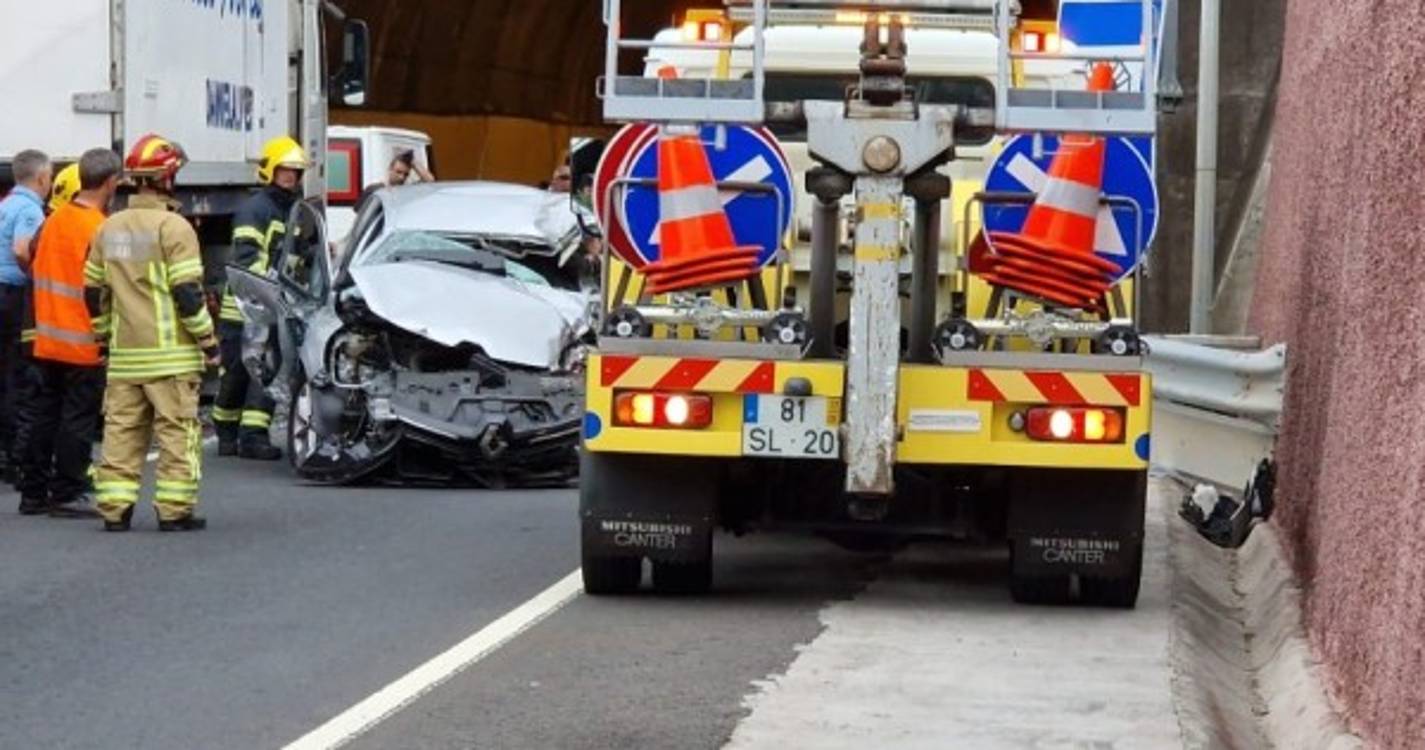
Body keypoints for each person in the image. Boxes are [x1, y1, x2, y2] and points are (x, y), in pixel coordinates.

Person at [85, 134, 220, 532]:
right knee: (177, 433)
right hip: (171, 357)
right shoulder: (174, 227)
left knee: (121, 434)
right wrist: (208, 342)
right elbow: (187, 294)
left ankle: (114, 510)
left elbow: (93, 291)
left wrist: (103, 338)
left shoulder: (109, 228)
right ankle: (174, 512)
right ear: (167, 177)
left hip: (126, 356)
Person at [15, 152, 120, 517]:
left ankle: (32, 493)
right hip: (82, 340)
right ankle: (66, 490)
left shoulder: (53, 219)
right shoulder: (100, 228)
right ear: (110, 182)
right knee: (77, 419)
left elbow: (27, 255)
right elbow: (105, 285)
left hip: (45, 337)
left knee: (43, 414)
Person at [213, 135, 310, 460]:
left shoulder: (295, 210)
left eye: (295, 172)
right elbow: (246, 257)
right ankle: (226, 431)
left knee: (267, 371)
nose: (290, 177)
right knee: (237, 372)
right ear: (270, 170)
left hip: (273, 306)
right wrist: (272, 286)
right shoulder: (255, 210)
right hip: (244, 307)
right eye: (285, 170)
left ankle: (253, 436)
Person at [0, 150, 53, 481]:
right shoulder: (30, 209)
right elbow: (22, 249)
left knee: (4, 375)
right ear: (42, 178)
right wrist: (38, 276)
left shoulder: (5, 205)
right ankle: (15, 457)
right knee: (19, 377)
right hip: (14, 296)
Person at [352, 149, 433, 215]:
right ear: (390, 169)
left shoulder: (406, 191)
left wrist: (414, 163)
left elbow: (429, 181)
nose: (402, 177)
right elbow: (358, 211)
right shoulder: (374, 189)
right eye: (398, 172)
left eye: (406, 174)